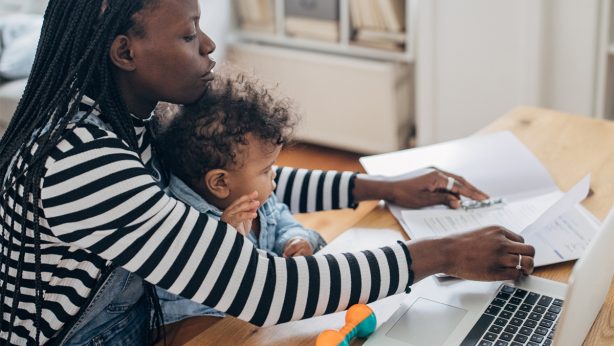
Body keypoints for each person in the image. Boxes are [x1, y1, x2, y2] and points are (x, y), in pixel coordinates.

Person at [0, 0, 535, 344]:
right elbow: (268, 289)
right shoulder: (80, 162)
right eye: (190, 35)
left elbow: (241, 178)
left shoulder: (120, 118)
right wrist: (443, 254)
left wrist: (380, 187)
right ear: (125, 51)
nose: (209, 46)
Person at [153, 74, 327, 323]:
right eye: (266, 170)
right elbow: (179, 300)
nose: (274, 173)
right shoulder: (184, 226)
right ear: (221, 183)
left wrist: (296, 239)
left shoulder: (259, 199)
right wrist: (224, 243)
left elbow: (282, 219)